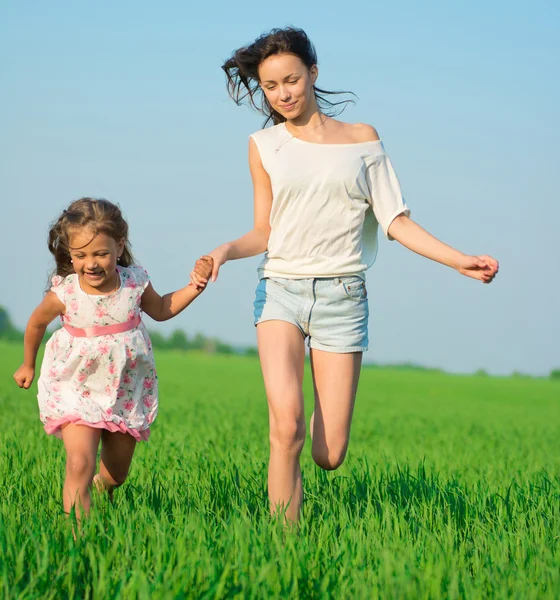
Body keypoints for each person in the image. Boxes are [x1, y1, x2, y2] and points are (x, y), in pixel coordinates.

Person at [190, 27, 499, 522]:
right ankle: (283, 549)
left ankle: (320, 419)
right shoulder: (263, 144)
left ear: (313, 73)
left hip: (343, 295)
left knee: (328, 455)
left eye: (291, 80)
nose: (283, 93)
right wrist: (225, 250)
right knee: (285, 428)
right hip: (281, 292)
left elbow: (396, 220)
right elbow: (263, 231)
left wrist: (458, 259)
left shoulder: (362, 139)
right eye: (270, 86)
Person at [13, 198, 213, 519]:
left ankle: (101, 488)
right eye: (80, 256)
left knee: (116, 474)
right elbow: (37, 323)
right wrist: (27, 364)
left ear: (119, 247)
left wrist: (195, 287)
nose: (90, 263)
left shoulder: (134, 282)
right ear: (70, 254)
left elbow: (161, 309)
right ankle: (78, 539)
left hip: (124, 389)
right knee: (79, 463)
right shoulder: (65, 293)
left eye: (100, 254)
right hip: (76, 388)